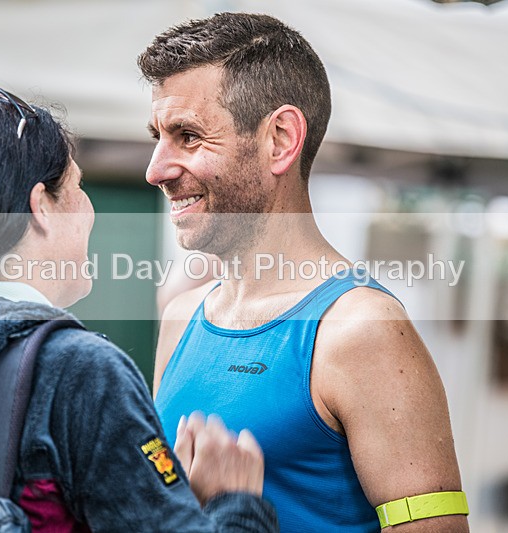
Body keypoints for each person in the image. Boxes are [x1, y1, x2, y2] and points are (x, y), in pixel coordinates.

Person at [0, 87, 277, 532]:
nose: (89, 209)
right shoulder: (77, 369)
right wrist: (234, 503)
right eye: (78, 187)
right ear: (41, 205)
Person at [140, 13, 469, 532]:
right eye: (158, 136)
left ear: (280, 138)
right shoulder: (182, 318)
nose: (155, 169)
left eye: (188, 135)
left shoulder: (362, 330)